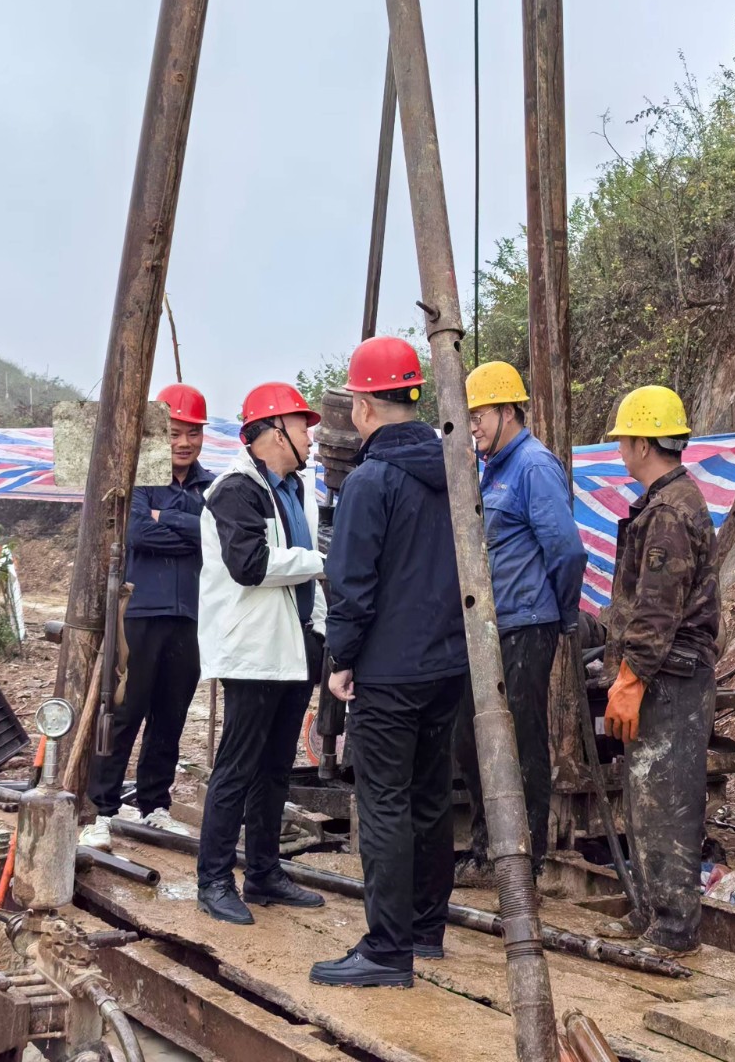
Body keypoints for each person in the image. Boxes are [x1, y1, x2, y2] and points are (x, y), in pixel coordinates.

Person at [309, 337, 468, 989]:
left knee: (383, 803)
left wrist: (341, 658)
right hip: (448, 665)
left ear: (364, 407)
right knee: (431, 798)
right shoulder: (454, 471)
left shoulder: (370, 481)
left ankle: (386, 949)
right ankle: (426, 929)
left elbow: (351, 583)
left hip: (389, 671)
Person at [194, 382, 328, 925]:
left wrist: (321, 625)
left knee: (275, 766)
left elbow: (300, 565)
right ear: (273, 433)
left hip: (294, 645)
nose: (310, 437)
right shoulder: (235, 490)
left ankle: (264, 872)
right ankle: (213, 879)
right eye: (301, 427)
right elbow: (249, 564)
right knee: (237, 765)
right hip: (253, 651)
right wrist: (320, 562)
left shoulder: (295, 489)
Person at [595, 385, 719, 958]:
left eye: (625, 439)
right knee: (645, 795)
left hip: (671, 675)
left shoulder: (669, 512)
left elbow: (657, 608)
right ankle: (651, 911)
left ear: (643, 443)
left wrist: (630, 679)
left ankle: (673, 929)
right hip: (664, 672)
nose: (621, 448)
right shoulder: (667, 502)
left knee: (666, 799)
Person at [453, 360, 587, 885]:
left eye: (479, 415)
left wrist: (563, 613)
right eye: (469, 418)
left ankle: (525, 861)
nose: (473, 427)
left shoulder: (533, 466)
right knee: (470, 738)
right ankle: (489, 849)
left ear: (508, 410)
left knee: (523, 737)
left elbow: (566, 550)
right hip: (490, 626)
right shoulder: (491, 469)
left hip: (529, 624)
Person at [82, 383, 214, 852]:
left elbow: (216, 537)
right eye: (175, 433)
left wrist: (168, 519)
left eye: (193, 433)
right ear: (159, 435)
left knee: (171, 716)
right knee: (124, 711)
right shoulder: (138, 478)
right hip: (138, 611)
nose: (185, 442)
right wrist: (190, 528)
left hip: (191, 616)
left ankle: (155, 805)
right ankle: (101, 810)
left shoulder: (212, 486)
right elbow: (137, 532)